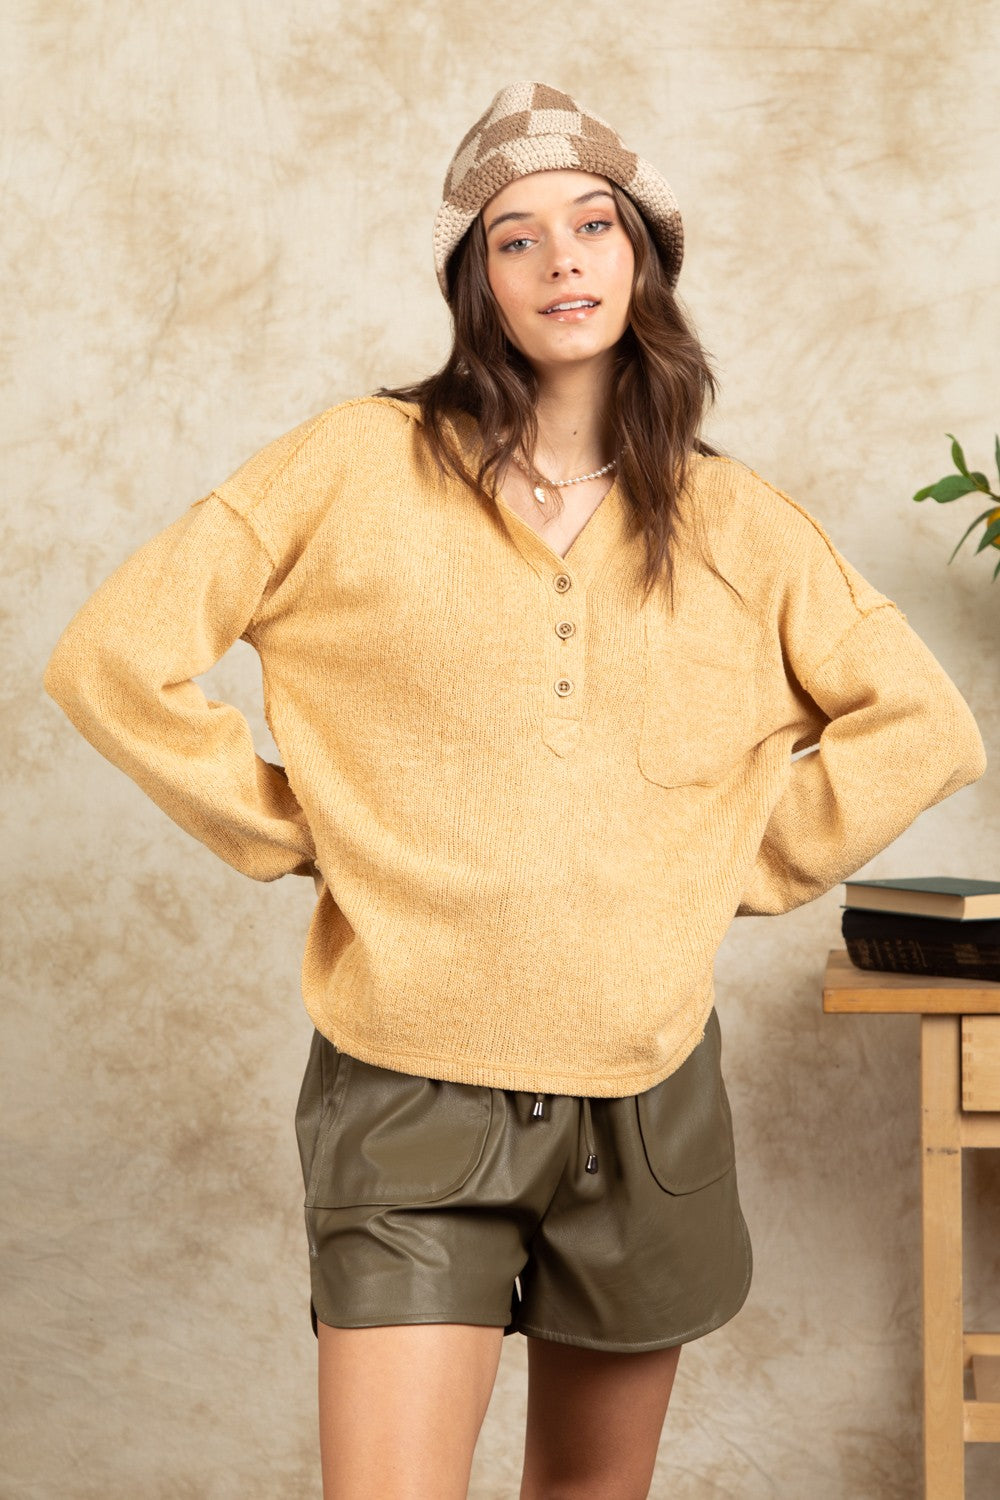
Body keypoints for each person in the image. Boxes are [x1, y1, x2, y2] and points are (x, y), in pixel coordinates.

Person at [43, 80, 987, 1500]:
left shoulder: (738, 522)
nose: (561, 261)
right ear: (472, 279)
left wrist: (718, 864)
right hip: (409, 1087)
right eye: (515, 236)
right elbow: (110, 659)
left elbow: (923, 724)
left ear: (643, 254)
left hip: (647, 1099)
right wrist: (301, 828)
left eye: (594, 224)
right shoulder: (351, 466)